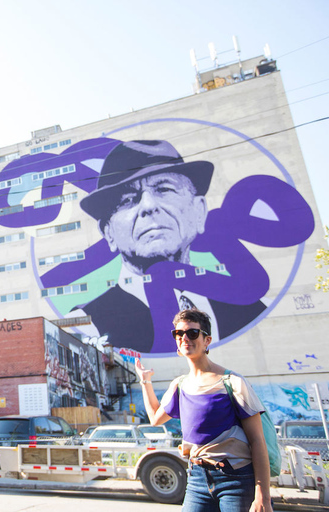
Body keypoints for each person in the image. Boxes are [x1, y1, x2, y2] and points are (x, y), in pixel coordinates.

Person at [69, 139, 265, 352]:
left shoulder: (253, 307)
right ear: (108, 232)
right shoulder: (86, 326)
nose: (149, 206)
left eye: (164, 189)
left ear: (199, 212)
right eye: (127, 199)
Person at [135, 308, 272, 512]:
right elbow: (155, 418)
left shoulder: (232, 382)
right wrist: (145, 380)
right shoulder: (180, 385)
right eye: (178, 333)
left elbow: (257, 441)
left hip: (235, 479)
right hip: (197, 478)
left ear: (207, 340)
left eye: (192, 333)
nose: (184, 338)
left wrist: (263, 497)